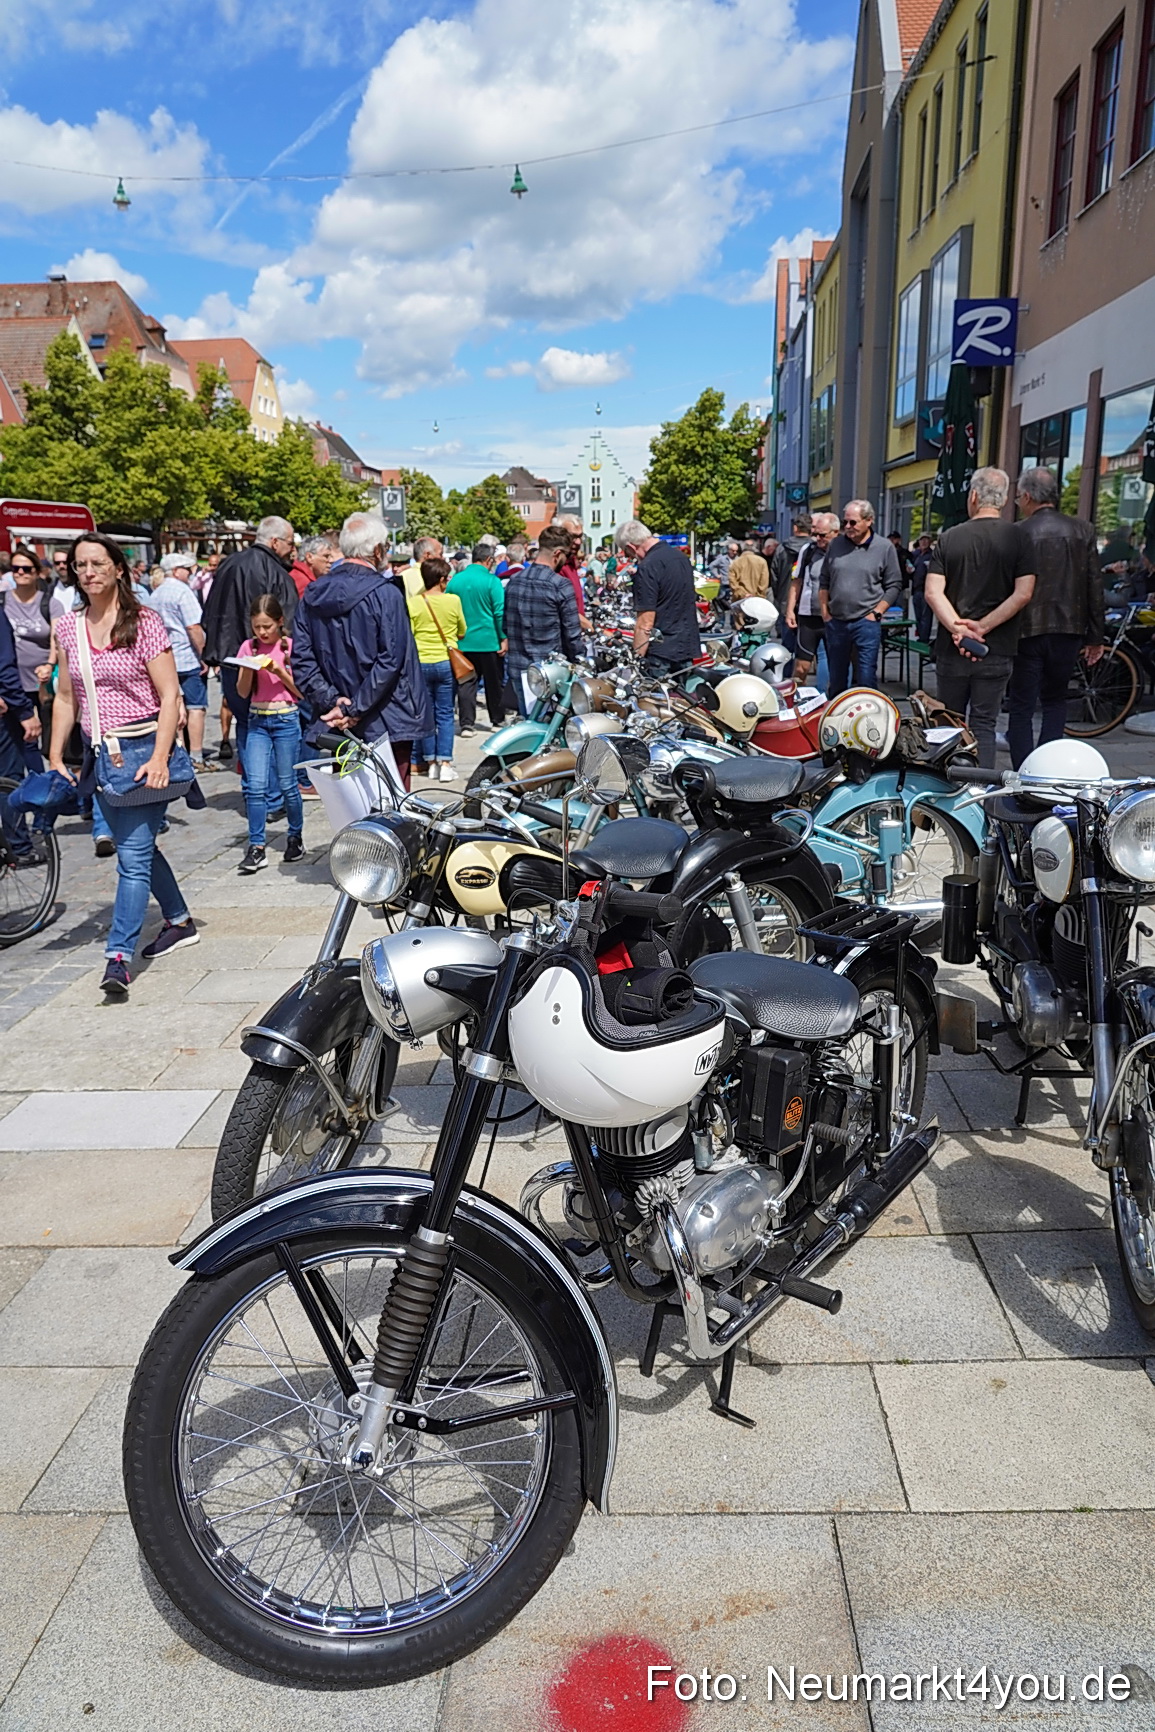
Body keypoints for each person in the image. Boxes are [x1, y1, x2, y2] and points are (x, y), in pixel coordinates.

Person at [49, 534, 197, 996]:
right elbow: (67, 696)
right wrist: (55, 754)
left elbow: (171, 695)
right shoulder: (68, 627)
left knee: (131, 859)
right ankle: (179, 921)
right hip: (101, 756)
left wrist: (158, 757)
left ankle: (117, 956)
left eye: (97, 563)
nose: (88, 572)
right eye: (80, 565)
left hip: (141, 752)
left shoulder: (144, 622)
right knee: (141, 849)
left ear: (118, 568)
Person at [291, 512, 431, 788]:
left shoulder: (313, 593)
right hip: (386, 718)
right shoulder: (385, 593)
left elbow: (302, 659)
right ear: (377, 550)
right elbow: (391, 660)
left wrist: (337, 704)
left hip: (341, 717)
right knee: (389, 811)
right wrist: (350, 707)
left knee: (351, 807)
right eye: (387, 548)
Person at [924, 467, 1036, 768]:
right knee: (984, 724)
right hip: (996, 647)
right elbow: (1023, 593)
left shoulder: (949, 538)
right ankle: (982, 794)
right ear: (1002, 500)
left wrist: (958, 629)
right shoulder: (1020, 538)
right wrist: (983, 627)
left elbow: (933, 592)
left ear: (973, 496)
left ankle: (945, 793)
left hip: (953, 648)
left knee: (949, 723)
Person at [1006, 467, 1105, 767]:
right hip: (1069, 627)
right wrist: (1096, 636)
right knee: (1055, 700)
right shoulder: (1083, 530)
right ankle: (1046, 769)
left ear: (1027, 496)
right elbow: (1094, 586)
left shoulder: (1018, 532)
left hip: (1026, 628)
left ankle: (1023, 770)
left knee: (1021, 705)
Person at [235, 595, 306, 872]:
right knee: (255, 786)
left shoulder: (289, 647)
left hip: (286, 717)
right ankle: (257, 846)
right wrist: (248, 668)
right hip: (258, 720)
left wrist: (278, 669)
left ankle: (295, 836)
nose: (263, 633)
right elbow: (242, 692)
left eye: (267, 626)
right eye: (257, 627)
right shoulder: (248, 647)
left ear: (280, 622)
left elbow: (301, 692)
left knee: (288, 784)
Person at [817, 500, 903, 695]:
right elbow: (824, 580)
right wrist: (825, 611)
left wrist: (877, 612)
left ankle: (867, 720)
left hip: (866, 621)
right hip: (837, 621)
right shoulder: (836, 544)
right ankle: (835, 719)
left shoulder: (884, 547)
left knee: (866, 677)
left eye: (853, 522)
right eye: (845, 522)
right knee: (837, 678)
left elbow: (894, 584)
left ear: (869, 521)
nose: (848, 527)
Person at [504, 523, 584, 712]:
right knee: (550, 732)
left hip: (519, 670)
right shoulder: (560, 585)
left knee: (529, 725)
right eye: (566, 555)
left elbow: (506, 627)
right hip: (550, 674)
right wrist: (581, 663)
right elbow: (572, 636)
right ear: (557, 554)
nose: (566, 561)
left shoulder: (514, 581)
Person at [0, 545, 63, 761]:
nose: (20, 573)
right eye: (16, 568)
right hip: (12, 684)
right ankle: (29, 790)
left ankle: (51, 783)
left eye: (26, 569)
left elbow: (57, 639)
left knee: (49, 738)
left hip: (43, 682)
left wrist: (50, 664)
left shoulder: (49, 603)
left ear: (37, 572)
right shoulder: (2, 601)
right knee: (23, 740)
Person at [408, 557, 468, 781]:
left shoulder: (414, 602)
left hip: (421, 662)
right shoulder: (453, 601)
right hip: (446, 661)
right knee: (445, 714)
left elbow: (410, 634)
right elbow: (462, 630)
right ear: (442, 579)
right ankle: (445, 762)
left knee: (426, 714)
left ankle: (430, 761)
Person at [615, 520, 702, 671]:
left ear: (631, 547)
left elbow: (645, 624)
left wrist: (635, 662)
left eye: (627, 552)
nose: (629, 558)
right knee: (683, 694)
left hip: (662, 653)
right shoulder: (681, 558)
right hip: (687, 645)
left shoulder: (647, 566)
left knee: (652, 694)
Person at [150, 552, 208, 771]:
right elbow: (193, 626)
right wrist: (203, 654)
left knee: (172, 704)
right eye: (187, 569)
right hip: (187, 657)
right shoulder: (183, 592)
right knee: (195, 707)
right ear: (176, 571)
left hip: (165, 659)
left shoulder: (155, 594)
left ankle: (177, 752)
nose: (190, 572)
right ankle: (196, 756)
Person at [448, 542, 507, 734]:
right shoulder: (492, 581)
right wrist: (503, 637)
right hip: (488, 640)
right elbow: (499, 612)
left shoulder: (455, 581)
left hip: (463, 641)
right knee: (493, 683)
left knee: (466, 683)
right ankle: (497, 720)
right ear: (489, 560)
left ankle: (467, 723)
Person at [784, 512, 838, 683]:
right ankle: (795, 701)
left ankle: (830, 700)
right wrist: (790, 610)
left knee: (834, 664)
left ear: (835, 532)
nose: (818, 538)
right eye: (815, 534)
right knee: (801, 666)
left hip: (834, 616)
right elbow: (796, 581)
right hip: (808, 616)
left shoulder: (844, 551)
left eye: (823, 535)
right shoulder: (808, 550)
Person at [911, 533, 934, 642]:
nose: (924, 542)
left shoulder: (933, 555)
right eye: (922, 540)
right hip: (916, 589)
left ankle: (924, 639)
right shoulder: (916, 555)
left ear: (930, 542)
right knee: (918, 616)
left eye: (926, 540)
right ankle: (920, 636)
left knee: (926, 616)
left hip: (927, 589)